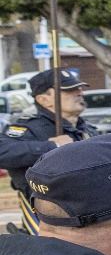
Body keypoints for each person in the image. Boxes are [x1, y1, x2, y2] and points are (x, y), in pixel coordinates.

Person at [0, 67, 96, 234]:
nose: (79, 92)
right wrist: (52, 147)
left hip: (91, 217)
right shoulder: (28, 128)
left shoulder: (88, 130)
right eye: (69, 90)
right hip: (48, 223)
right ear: (44, 99)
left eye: (79, 88)